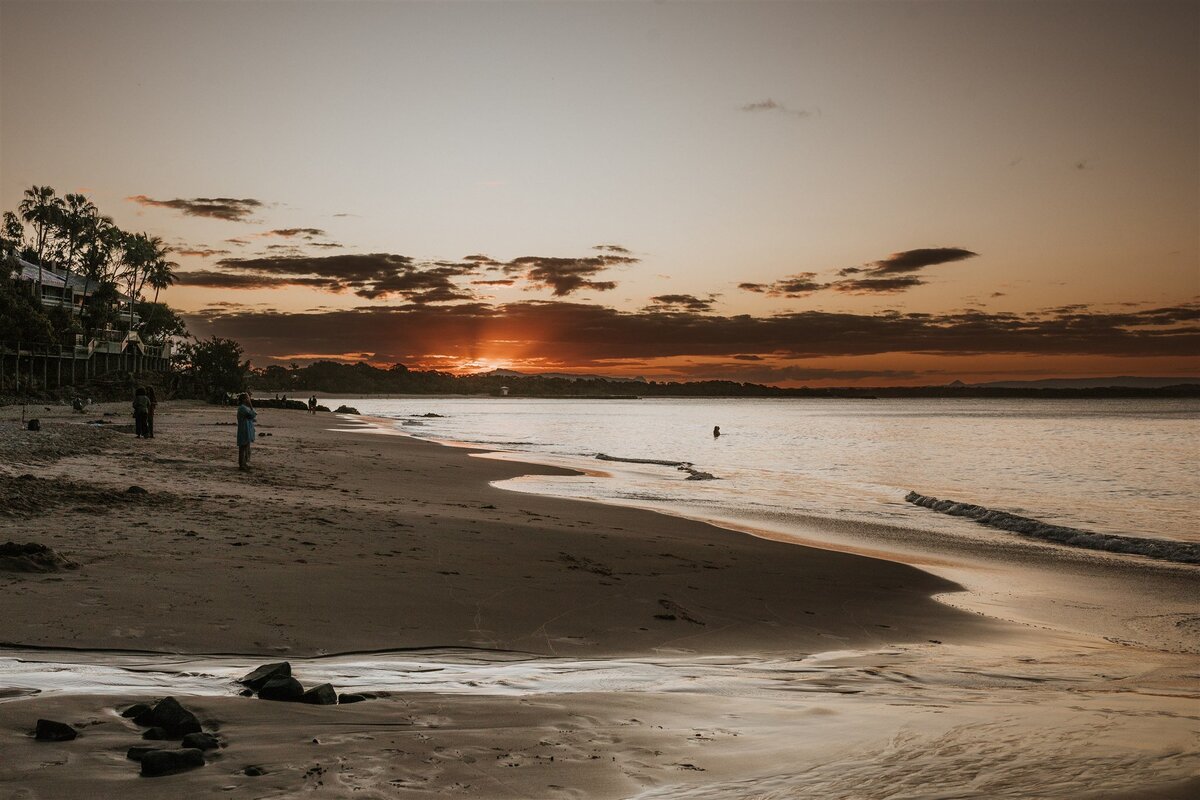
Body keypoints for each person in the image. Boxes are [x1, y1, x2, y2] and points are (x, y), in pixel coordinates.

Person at [236, 392, 257, 470]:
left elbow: (253, 416)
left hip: (247, 428)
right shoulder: (242, 408)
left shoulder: (244, 407)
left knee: (246, 446)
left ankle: (244, 463)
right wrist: (251, 405)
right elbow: (252, 415)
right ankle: (241, 464)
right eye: (247, 398)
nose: (249, 399)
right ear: (244, 399)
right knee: (243, 446)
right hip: (244, 429)